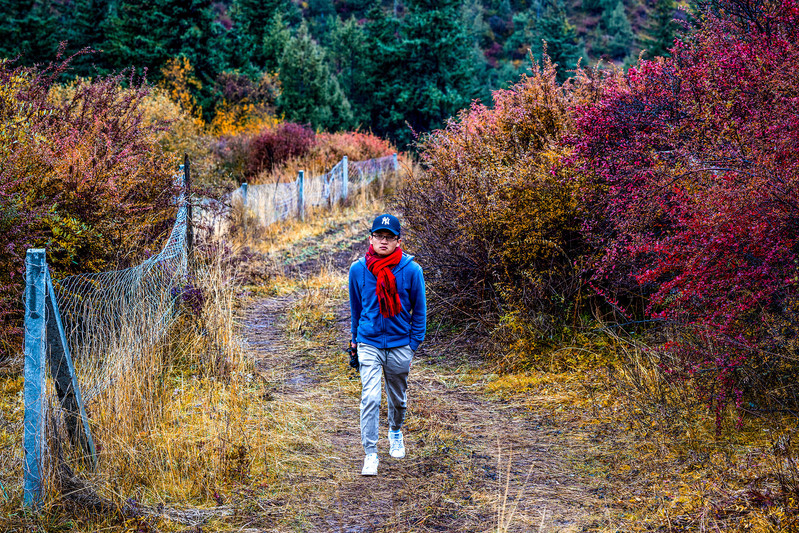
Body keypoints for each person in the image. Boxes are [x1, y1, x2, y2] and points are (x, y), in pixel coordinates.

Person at [348, 213, 426, 476]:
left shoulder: (412, 270)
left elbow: (420, 312)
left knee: (397, 399)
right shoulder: (358, 269)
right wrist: (355, 341)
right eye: (379, 236)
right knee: (370, 398)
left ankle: (395, 432)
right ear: (370, 238)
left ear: (398, 241)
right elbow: (356, 310)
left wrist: (411, 345)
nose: (383, 241)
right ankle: (370, 453)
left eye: (389, 237)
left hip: (399, 345)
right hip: (368, 343)